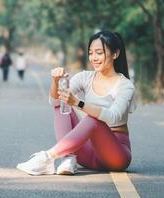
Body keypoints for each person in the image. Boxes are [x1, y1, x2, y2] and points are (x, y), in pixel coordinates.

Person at [17, 31, 136, 175]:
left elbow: (113, 117)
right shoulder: (85, 77)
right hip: (88, 154)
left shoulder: (125, 85)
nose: (94, 58)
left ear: (115, 54)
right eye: (91, 53)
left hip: (115, 156)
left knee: (94, 119)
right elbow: (54, 101)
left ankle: (46, 158)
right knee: (61, 104)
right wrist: (56, 82)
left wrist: (78, 103)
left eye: (99, 53)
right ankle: (67, 158)